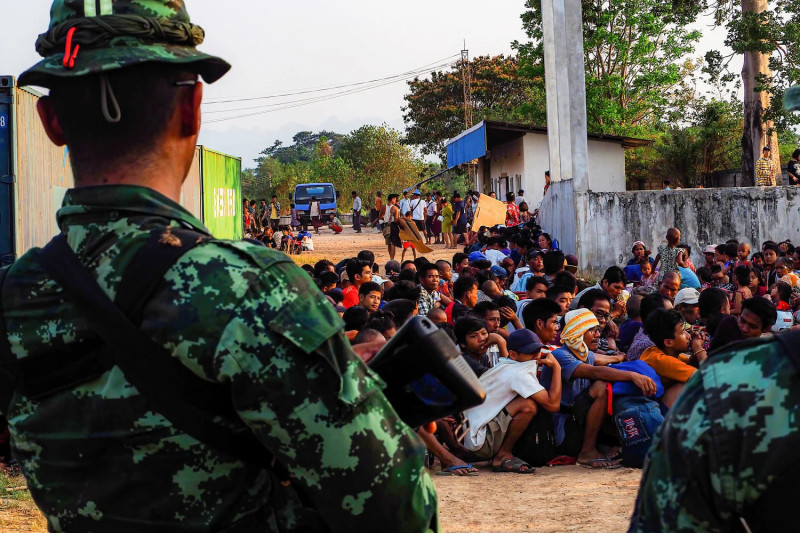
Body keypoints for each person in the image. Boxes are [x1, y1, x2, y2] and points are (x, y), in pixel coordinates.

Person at [4, 2, 437, 530]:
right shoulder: (255, 289)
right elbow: (399, 513)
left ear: (51, 122)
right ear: (192, 108)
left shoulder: (15, 296)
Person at [629, 330, 800, 532]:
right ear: (669, 341)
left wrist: (699, 351)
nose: (687, 334)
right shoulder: (721, 386)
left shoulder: (725, 381)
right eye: (682, 332)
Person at [539, 310, 657, 468]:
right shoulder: (560, 355)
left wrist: (619, 358)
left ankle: (605, 443)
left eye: (598, 330)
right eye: (591, 330)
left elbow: (600, 359)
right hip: (561, 431)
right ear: (577, 332)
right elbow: (594, 370)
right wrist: (632, 375)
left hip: (576, 421)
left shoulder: (583, 353)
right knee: (602, 386)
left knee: (615, 385)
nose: (597, 335)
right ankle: (587, 452)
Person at [462, 329, 562, 474]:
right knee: (528, 406)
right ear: (514, 355)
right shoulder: (519, 374)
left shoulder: (507, 364)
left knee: (526, 400)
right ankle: (503, 455)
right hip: (480, 442)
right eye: (530, 351)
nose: (536, 354)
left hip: (472, 436)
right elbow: (553, 405)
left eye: (537, 349)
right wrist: (557, 368)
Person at [640, 309, 705, 408]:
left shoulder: (656, 352)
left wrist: (696, 353)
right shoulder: (661, 360)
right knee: (686, 386)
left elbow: (688, 363)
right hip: (655, 411)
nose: (688, 336)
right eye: (683, 332)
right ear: (669, 342)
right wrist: (698, 348)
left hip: (657, 403)